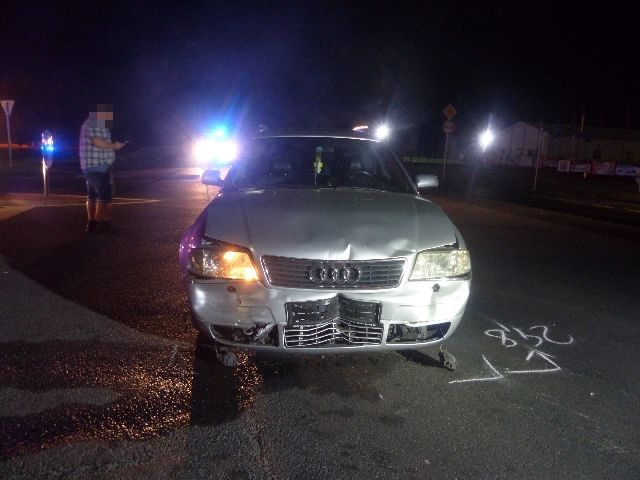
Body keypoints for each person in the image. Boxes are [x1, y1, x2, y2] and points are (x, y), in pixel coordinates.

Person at [78, 104, 126, 233]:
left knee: (92, 195)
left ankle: (92, 223)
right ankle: (103, 222)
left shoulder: (90, 123)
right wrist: (114, 146)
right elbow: (97, 142)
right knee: (104, 195)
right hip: (99, 166)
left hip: (90, 166)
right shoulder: (95, 121)